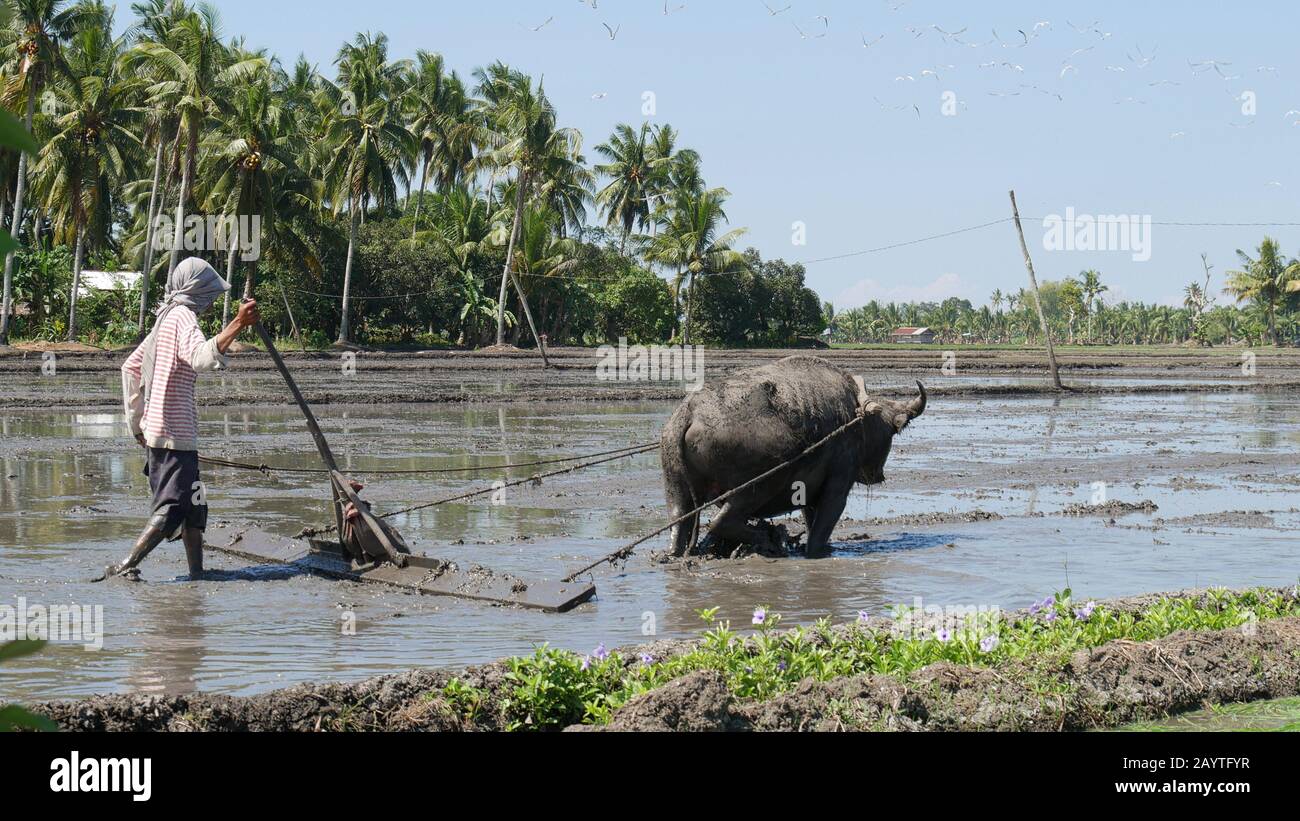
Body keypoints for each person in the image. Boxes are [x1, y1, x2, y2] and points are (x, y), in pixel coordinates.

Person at [100, 257, 259, 581]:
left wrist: (137, 423)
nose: (212, 302)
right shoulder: (183, 317)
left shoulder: (166, 318)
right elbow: (200, 358)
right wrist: (238, 324)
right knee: (173, 507)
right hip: (173, 435)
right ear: (197, 289)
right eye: (210, 294)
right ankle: (124, 566)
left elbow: (130, 367)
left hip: (172, 434)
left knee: (194, 506)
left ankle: (197, 572)